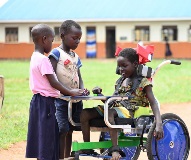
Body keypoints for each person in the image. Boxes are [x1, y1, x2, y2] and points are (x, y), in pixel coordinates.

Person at [80, 48, 164, 160]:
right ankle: (87, 147)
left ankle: (115, 149)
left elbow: (153, 102)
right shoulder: (120, 81)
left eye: (124, 66)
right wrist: (100, 94)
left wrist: (159, 123)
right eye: (119, 66)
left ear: (135, 64)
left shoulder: (143, 82)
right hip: (115, 108)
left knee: (109, 113)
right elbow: (113, 100)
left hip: (131, 111)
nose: (121, 69)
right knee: (85, 113)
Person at [26, 24, 83, 160]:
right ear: (44, 39)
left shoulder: (34, 57)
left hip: (37, 102)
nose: (52, 44)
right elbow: (54, 82)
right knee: (49, 136)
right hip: (47, 103)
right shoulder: (45, 60)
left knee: (41, 135)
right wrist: (71, 92)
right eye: (51, 40)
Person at [48, 20, 86, 160]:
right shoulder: (56, 53)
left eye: (79, 39)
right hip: (61, 99)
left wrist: (82, 90)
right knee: (62, 129)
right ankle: (59, 157)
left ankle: (66, 156)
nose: (77, 41)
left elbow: (79, 76)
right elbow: (51, 76)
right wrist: (68, 91)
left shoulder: (75, 56)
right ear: (63, 36)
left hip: (75, 99)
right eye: (74, 38)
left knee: (71, 129)